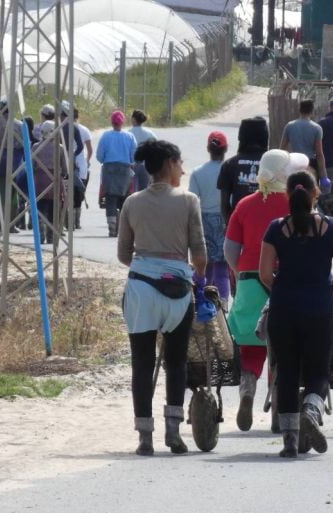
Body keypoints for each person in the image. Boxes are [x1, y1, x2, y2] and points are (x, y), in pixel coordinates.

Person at [117, 139, 207, 456]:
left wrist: (149, 267)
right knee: (176, 362)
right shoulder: (188, 201)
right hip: (178, 293)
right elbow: (199, 252)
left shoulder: (132, 203)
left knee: (141, 364)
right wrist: (193, 274)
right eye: (180, 163)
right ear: (169, 163)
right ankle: (173, 433)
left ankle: (144, 436)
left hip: (141, 288)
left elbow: (123, 254)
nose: (182, 169)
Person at [259, 170, 333, 458]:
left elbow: (264, 273)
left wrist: (283, 289)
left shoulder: (276, 228)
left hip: (283, 308)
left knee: (284, 371)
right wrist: (327, 291)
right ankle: (311, 410)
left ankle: (289, 439)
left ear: (287, 195)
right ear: (316, 194)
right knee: (318, 370)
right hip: (319, 308)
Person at [223, 149, 309, 432]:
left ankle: (247, 393)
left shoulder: (245, 204)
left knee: (251, 346)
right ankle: (276, 407)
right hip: (287, 281)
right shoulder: (296, 205)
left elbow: (230, 250)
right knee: (283, 348)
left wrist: (240, 274)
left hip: (249, 279)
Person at [188, 131, 230, 300]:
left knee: (205, 266)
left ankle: (203, 302)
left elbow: (192, 198)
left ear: (208, 148)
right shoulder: (230, 169)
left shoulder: (198, 172)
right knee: (222, 269)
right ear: (226, 149)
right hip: (225, 219)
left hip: (204, 220)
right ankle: (223, 306)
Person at [218, 117, 268, 222]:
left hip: (239, 225)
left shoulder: (229, 164)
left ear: (241, 136)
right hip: (266, 227)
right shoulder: (272, 163)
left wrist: (230, 227)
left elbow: (224, 204)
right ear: (265, 136)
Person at [0, 98, 24, 233]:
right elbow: (27, 147)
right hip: (16, 165)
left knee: (2, 195)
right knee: (13, 195)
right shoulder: (19, 125)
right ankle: (11, 224)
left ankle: (3, 223)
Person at [97, 110, 137, 237]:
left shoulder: (105, 136)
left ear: (111, 122)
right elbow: (134, 155)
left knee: (110, 197)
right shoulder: (129, 137)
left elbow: (99, 156)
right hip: (125, 169)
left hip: (109, 169)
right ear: (123, 122)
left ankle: (112, 226)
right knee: (124, 197)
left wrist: (105, 159)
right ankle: (123, 225)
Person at [280, 99, 329, 189]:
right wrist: (324, 176)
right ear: (312, 111)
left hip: (294, 163)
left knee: (293, 191)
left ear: (299, 110)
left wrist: (282, 168)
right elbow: (319, 154)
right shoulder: (317, 128)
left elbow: (282, 149)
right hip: (310, 165)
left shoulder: (290, 126)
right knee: (310, 194)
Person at [30, 121, 66, 244]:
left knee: (39, 210)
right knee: (53, 211)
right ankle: (51, 237)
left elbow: (31, 166)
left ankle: (40, 235)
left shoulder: (35, 147)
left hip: (39, 182)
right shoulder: (60, 148)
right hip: (55, 183)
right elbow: (65, 169)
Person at [73, 107, 93, 229]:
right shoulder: (84, 130)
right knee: (80, 193)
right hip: (82, 165)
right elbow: (90, 150)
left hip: (67, 163)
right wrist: (86, 161)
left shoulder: (63, 128)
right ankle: (77, 221)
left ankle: (69, 220)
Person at [128, 109, 157, 191]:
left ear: (133, 119)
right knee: (145, 190)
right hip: (146, 165)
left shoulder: (128, 133)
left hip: (131, 166)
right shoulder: (150, 133)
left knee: (132, 190)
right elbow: (156, 149)